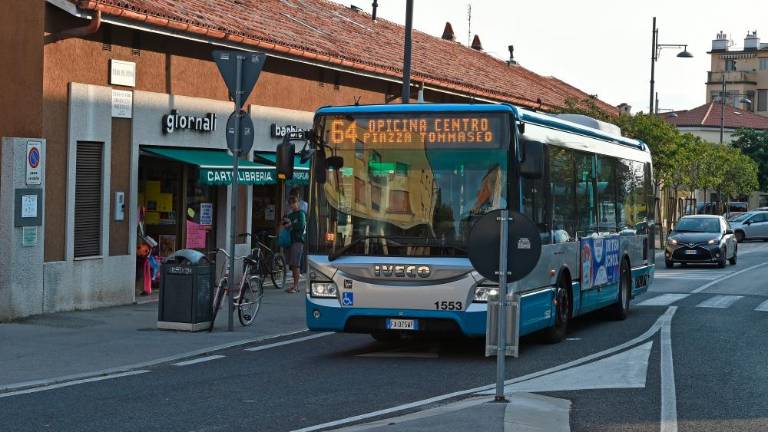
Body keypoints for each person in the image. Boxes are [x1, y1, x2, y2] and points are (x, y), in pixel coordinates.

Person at [283, 195, 306, 293]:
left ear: (297, 203)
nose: (292, 205)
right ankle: (294, 285)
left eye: (294, 203)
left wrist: (291, 224)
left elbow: (301, 225)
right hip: (290, 241)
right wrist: (286, 223)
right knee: (292, 265)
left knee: (296, 265)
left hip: (298, 241)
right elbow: (285, 224)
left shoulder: (301, 213)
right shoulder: (291, 215)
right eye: (290, 204)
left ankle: (296, 286)